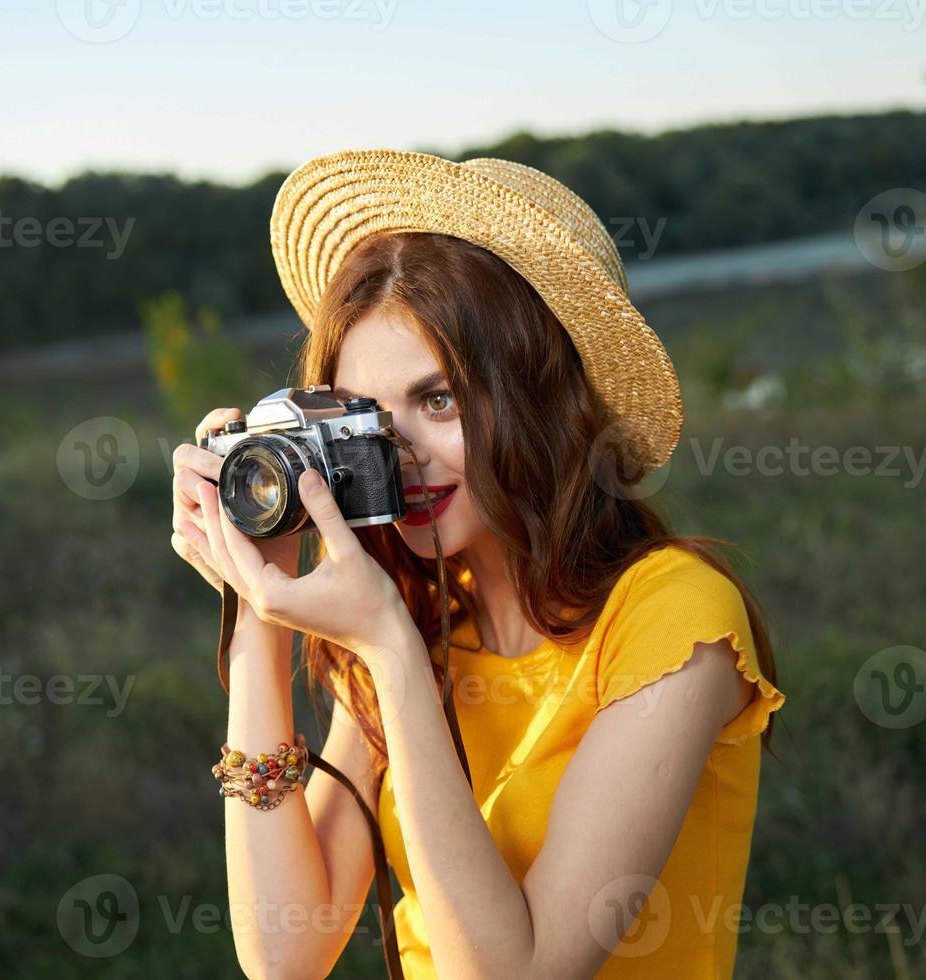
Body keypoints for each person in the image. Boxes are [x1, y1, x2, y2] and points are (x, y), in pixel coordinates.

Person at [170, 150, 785, 979]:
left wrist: (390, 652)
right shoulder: (423, 613)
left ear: (545, 399)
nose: (402, 455)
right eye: (368, 419)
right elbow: (286, 949)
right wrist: (256, 616)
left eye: (440, 400)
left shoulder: (676, 620)